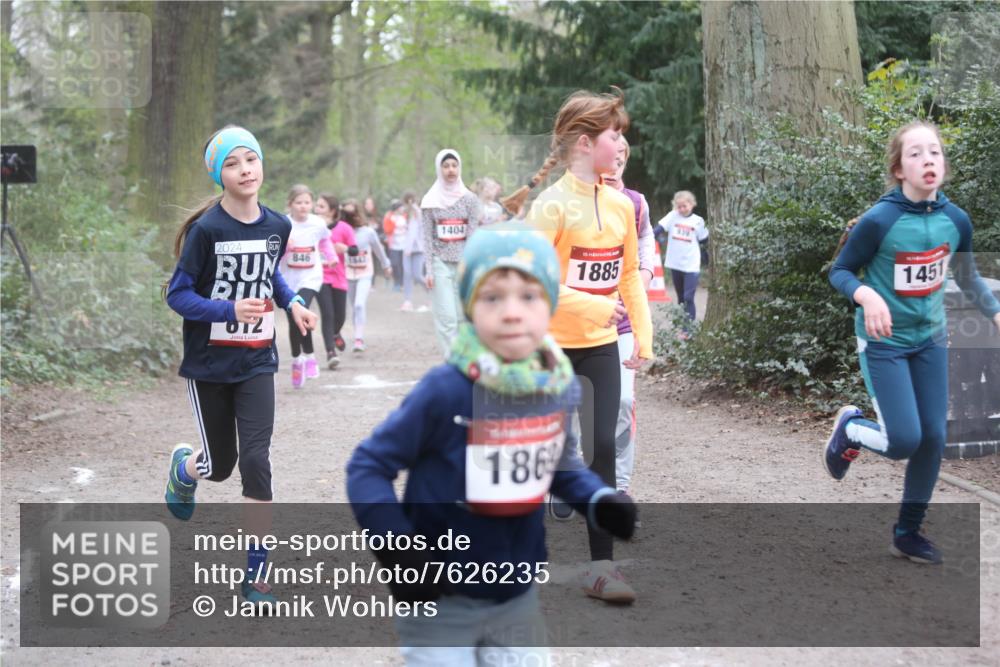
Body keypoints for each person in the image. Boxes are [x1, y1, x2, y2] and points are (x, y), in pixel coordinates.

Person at [346, 224, 637, 665]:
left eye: (529, 296)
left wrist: (597, 500)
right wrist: (396, 543)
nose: (512, 312)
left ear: (551, 306)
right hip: (439, 598)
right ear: (469, 306)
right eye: (493, 297)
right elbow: (367, 466)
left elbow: (558, 465)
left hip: (516, 597)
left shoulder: (554, 387)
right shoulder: (445, 390)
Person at [503, 87, 653, 602]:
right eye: (616, 135)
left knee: (602, 449)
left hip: (602, 346)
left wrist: (644, 334)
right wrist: (591, 305)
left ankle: (601, 568)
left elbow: (629, 274)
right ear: (587, 143)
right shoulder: (551, 206)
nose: (622, 144)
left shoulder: (621, 205)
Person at [827, 120, 1000, 564]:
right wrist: (867, 296)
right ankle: (850, 428)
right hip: (884, 342)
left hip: (930, 340)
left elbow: (967, 277)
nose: (928, 160)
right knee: (904, 439)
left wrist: (996, 313)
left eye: (935, 153)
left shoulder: (955, 220)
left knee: (934, 437)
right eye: (917, 153)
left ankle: (907, 532)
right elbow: (841, 271)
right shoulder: (880, 220)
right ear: (899, 168)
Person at [163, 125, 317, 606]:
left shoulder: (278, 225)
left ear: (262, 165)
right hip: (210, 365)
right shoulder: (207, 231)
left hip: (256, 361)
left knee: (255, 462)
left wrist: (291, 303)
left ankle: (255, 577)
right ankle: (186, 469)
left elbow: (268, 273)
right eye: (232, 163)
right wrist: (228, 310)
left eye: (250, 159)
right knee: (220, 466)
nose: (245, 169)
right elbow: (178, 295)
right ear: (218, 175)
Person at [602, 136, 656, 497]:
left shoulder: (636, 203)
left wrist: (646, 273)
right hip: (578, 324)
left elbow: (646, 238)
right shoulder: (574, 203)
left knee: (622, 401)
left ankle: (620, 487)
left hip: (621, 320)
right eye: (611, 153)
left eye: (622, 155)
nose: (616, 160)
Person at [421, 149, 484, 355]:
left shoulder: (470, 200)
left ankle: (466, 358)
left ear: (459, 168)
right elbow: (427, 237)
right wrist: (429, 269)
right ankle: (452, 364)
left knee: (463, 316)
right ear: (439, 169)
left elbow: (473, 236)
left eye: (454, 166)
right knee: (446, 318)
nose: (450, 170)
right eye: (446, 166)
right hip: (440, 263)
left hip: (463, 263)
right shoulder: (429, 201)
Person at [280, 184, 338, 388]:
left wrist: (330, 257)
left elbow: (324, 242)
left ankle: (311, 356)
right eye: (299, 202)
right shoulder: (282, 223)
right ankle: (298, 360)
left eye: (307, 202)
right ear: (290, 204)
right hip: (287, 279)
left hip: (310, 277)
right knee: (293, 321)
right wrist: (285, 246)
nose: (303, 206)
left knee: (302, 312)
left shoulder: (318, 223)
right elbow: (273, 248)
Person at [341, 198, 392, 352]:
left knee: (359, 304)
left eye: (354, 214)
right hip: (348, 274)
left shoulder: (368, 232)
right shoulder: (342, 231)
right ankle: (357, 334)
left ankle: (358, 339)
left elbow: (378, 250)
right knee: (353, 306)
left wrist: (386, 265)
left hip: (365, 273)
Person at [656, 190, 707, 329]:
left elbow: (704, 241)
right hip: (675, 263)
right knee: (680, 298)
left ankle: (688, 329)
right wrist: (649, 236)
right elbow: (659, 228)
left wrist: (706, 259)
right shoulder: (673, 216)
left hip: (691, 264)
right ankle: (681, 325)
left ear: (692, 204)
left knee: (688, 297)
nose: (682, 209)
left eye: (684, 206)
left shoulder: (698, 221)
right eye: (679, 206)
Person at [314, 193, 350, 369]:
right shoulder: (312, 226)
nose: (316, 209)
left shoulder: (343, 228)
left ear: (332, 211)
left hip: (339, 276)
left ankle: (336, 333)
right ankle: (330, 352)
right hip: (320, 276)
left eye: (321, 206)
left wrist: (346, 249)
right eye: (317, 205)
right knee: (327, 314)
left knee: (340, 316)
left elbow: (356, 250)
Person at [400, 190, 426, 312]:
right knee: (407, 274)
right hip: (407, 248)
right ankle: (407, 300)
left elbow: (414, 231)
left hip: (417, 249)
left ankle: (433, 294)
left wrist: (409, 248)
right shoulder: (405, 212)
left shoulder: (416, 212)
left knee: (417, 275)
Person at [384, 199, 408, 292]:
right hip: (394, 245)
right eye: (401, 207)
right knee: (395, 264)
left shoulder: (405, 217)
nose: (403, 208)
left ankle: (401, 284)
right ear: (397, 208)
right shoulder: (389, 217)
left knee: (403, 265)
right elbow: (387, 230)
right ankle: (396, 282)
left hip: (405, 245)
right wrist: (394, 222)